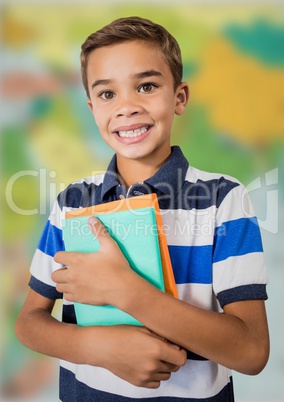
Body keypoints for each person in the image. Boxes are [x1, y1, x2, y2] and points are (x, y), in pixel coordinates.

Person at [15, 16, 269, 401]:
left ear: (179, 97)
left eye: (146, 86)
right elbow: (29, 323)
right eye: (107, 94)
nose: (127, 107)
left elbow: (251, 352)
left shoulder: (223, 198)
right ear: (91, 108)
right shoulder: (71, 203)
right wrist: (98, 347)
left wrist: (127, 292)